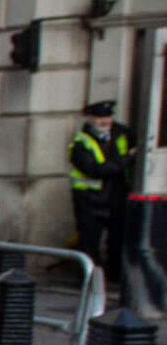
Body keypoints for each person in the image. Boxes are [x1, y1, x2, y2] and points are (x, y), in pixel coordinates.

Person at [70, 99, 131, 279]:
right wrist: (126, 160)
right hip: (89, 200)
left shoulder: (120, 134)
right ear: (90, 119)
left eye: (108, 117)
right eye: (99, 118)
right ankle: (88, 279)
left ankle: (114, 275)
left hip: (115, 197)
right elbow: (95, 170)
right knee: (89, 241)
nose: (104, 121)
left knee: (117, 240)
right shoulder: (81, 142)